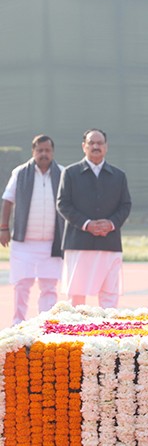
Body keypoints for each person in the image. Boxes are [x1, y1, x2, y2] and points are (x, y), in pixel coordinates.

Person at [57, 129, 132, 308]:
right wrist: (86, 224)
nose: (96, 146)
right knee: (76, 297)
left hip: (109, 242)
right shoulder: (70, 173)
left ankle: (108, 333)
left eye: (100, 143)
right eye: (92, 143)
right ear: (84, 146)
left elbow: (126, 205)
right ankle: (75, 335)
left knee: (109, 297)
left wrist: (111, 223)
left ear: (106, 147)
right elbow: (63, 204)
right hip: (78, 243)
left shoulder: (119, 175)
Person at [0, 135, 65, 325]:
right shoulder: (20, 173)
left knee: (49, 287)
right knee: (22, 285)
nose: (43, 154)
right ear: (33, 151)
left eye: (47, 150)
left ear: (52, 152)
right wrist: (3, 227)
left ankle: (46, 325)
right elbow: (8, 200)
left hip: (52, 242)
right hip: (24, 243)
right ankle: (18, 323)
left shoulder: (62, 173)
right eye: (40, 150)